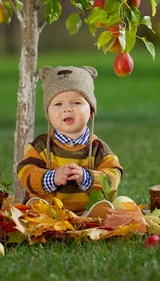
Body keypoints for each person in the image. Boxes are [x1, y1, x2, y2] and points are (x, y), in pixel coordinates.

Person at [17, 66, 123, 214]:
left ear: (91, 111)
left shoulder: (98, 148)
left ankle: (91, 217)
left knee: (106, 209)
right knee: (34, 208)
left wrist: (86, 177)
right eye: (58, 104)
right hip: (48, 212)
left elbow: (113, 176)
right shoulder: (40, 146)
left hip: (87, 212)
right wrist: (52, 177)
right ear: (48, 113)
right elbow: (25, 172)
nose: (67, 109)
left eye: (76, 103)